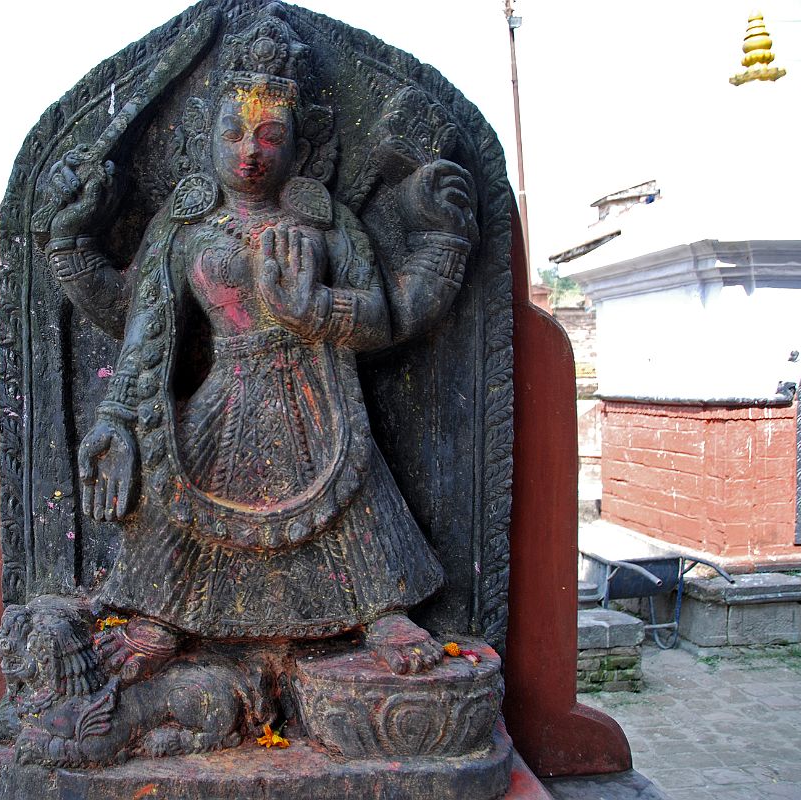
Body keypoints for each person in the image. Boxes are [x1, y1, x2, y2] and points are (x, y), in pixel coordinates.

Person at [41, 6, 477, 684]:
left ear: (299, 150)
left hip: (316, 393)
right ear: (203, 138)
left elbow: (387, 318)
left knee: (351, 499)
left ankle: (379, 610)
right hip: (225, 392)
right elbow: (141, 323)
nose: (250, 149)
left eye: (270, 135)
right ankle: (165, 614)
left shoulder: (325, 224)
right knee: (184, 495)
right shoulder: (184, 227)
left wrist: (319, 311)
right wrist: (71, 243)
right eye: (234, 131)